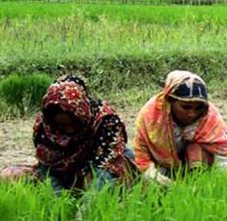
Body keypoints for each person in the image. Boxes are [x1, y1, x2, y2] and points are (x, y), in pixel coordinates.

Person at [0, 75, 135, 194]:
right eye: (62, 127)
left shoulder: (106, 122)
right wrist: (58, 198)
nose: (69, 131)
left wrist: (84, 213)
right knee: (9, 176)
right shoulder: (44, 127)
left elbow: (104, 170)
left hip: (97, 170)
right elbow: (46, 168)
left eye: (73, 124)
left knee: (106, 185)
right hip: (63, 174)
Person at [134, 71, 227, 186]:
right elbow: (141, 153)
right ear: (170, 101)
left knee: (196, 149)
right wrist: (158, 178)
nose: (192, 114)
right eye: (185, 107)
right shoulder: (151, 116)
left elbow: (224, 155)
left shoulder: (209, 117)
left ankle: (197, 182)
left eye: (198, 108)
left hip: (198, 168)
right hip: (163, 168)